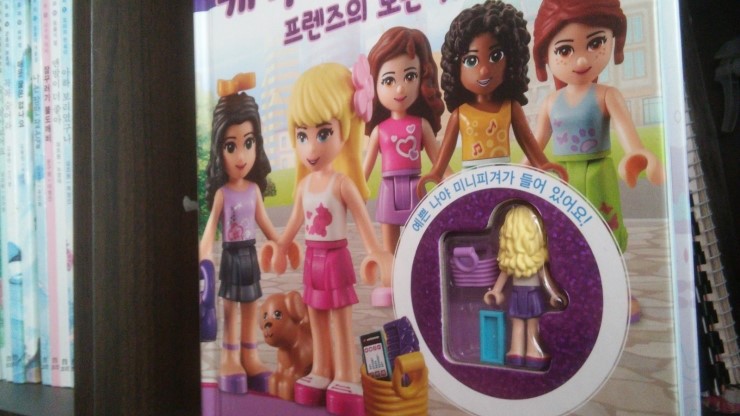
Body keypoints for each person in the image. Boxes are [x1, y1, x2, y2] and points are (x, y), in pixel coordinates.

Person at [262, 62, 392, 414]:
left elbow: (363, 222)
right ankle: (321, 370)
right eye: (301, 135)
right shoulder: (304, 186)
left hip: (336, 258)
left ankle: (346, 375)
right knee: (315, 317)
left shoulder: (342, 184)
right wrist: (280, 245)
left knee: (341, 320)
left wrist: (377, 251)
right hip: (312, 260)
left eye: (322, 133)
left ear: (345, 130)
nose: (310, 147)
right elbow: (293, 224)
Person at [532, 0, 664, 321]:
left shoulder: (606, 95)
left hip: (599, 172)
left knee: (606, 233)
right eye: (565, 50)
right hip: (563, 177)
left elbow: (627, 133)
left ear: (612, 42)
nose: (581, 59)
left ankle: (617, 291)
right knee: (565, 236)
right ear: (546, 56)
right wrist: (521, 172)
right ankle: (573, 291)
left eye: (595, 44)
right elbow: (536, 146)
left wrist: (638, 154)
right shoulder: (550, 102)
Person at [417, 0, 566, 198]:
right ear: (455, 67)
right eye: (471, 60)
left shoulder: (510, 107)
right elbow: (446, 150)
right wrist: (436, 173)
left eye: (496, 56)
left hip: (503, 174)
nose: (484, 70)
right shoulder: (461, 113)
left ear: (512, 59)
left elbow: (528, 141)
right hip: (471, 178)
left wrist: (543, 164)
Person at [199, 73, 276, 394]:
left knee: (251, 305)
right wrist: (203, 254)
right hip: (231, 255)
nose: (241, 156)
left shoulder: (254, 191)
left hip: (249, 253)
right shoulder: (223, 194)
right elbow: (210, 229)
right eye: (231, 146)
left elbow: (266, 223)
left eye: (249, 142)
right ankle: (230, 358)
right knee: (230, 308)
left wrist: (281, 243)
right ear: (219, 149)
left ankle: (250, 355)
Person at [362, 27, 447, 306]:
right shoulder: (380, 130)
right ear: (374, 86)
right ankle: (391, 281)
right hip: (388, 188)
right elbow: (365, 170)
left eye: (409, 77)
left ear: (422, 78)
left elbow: (438, 161)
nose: (400, 88)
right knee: (389, 239)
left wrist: (453, 181)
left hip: (415, 185)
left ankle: (419, 279)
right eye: (389, 80)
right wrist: (353, 192)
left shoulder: (421, 125)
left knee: (417, 235)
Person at [484, 204, 568, 370]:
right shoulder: (536, 261)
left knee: (517, 324)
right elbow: (545, 280)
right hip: (533, 295)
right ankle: (533, 353)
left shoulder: (511, 262)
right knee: (531, 324)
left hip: (517, 295)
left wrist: (496, 291)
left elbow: (504, 277)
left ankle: (515, 353)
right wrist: (554, 294)